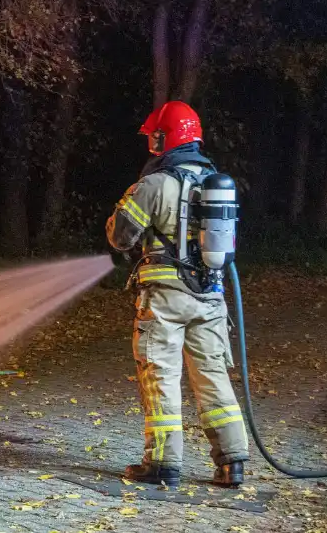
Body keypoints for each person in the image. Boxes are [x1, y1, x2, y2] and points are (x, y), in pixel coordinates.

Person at [105, 100, 248, 488]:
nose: (153, 145)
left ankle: (163, 463)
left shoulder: (155, 184)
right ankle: (232, 462)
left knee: (161, 375)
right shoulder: (216, 182)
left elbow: (120, 237)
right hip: (211, 297)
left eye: (157, 138)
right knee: (214, 376)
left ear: (167, 139)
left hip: (166, 297)